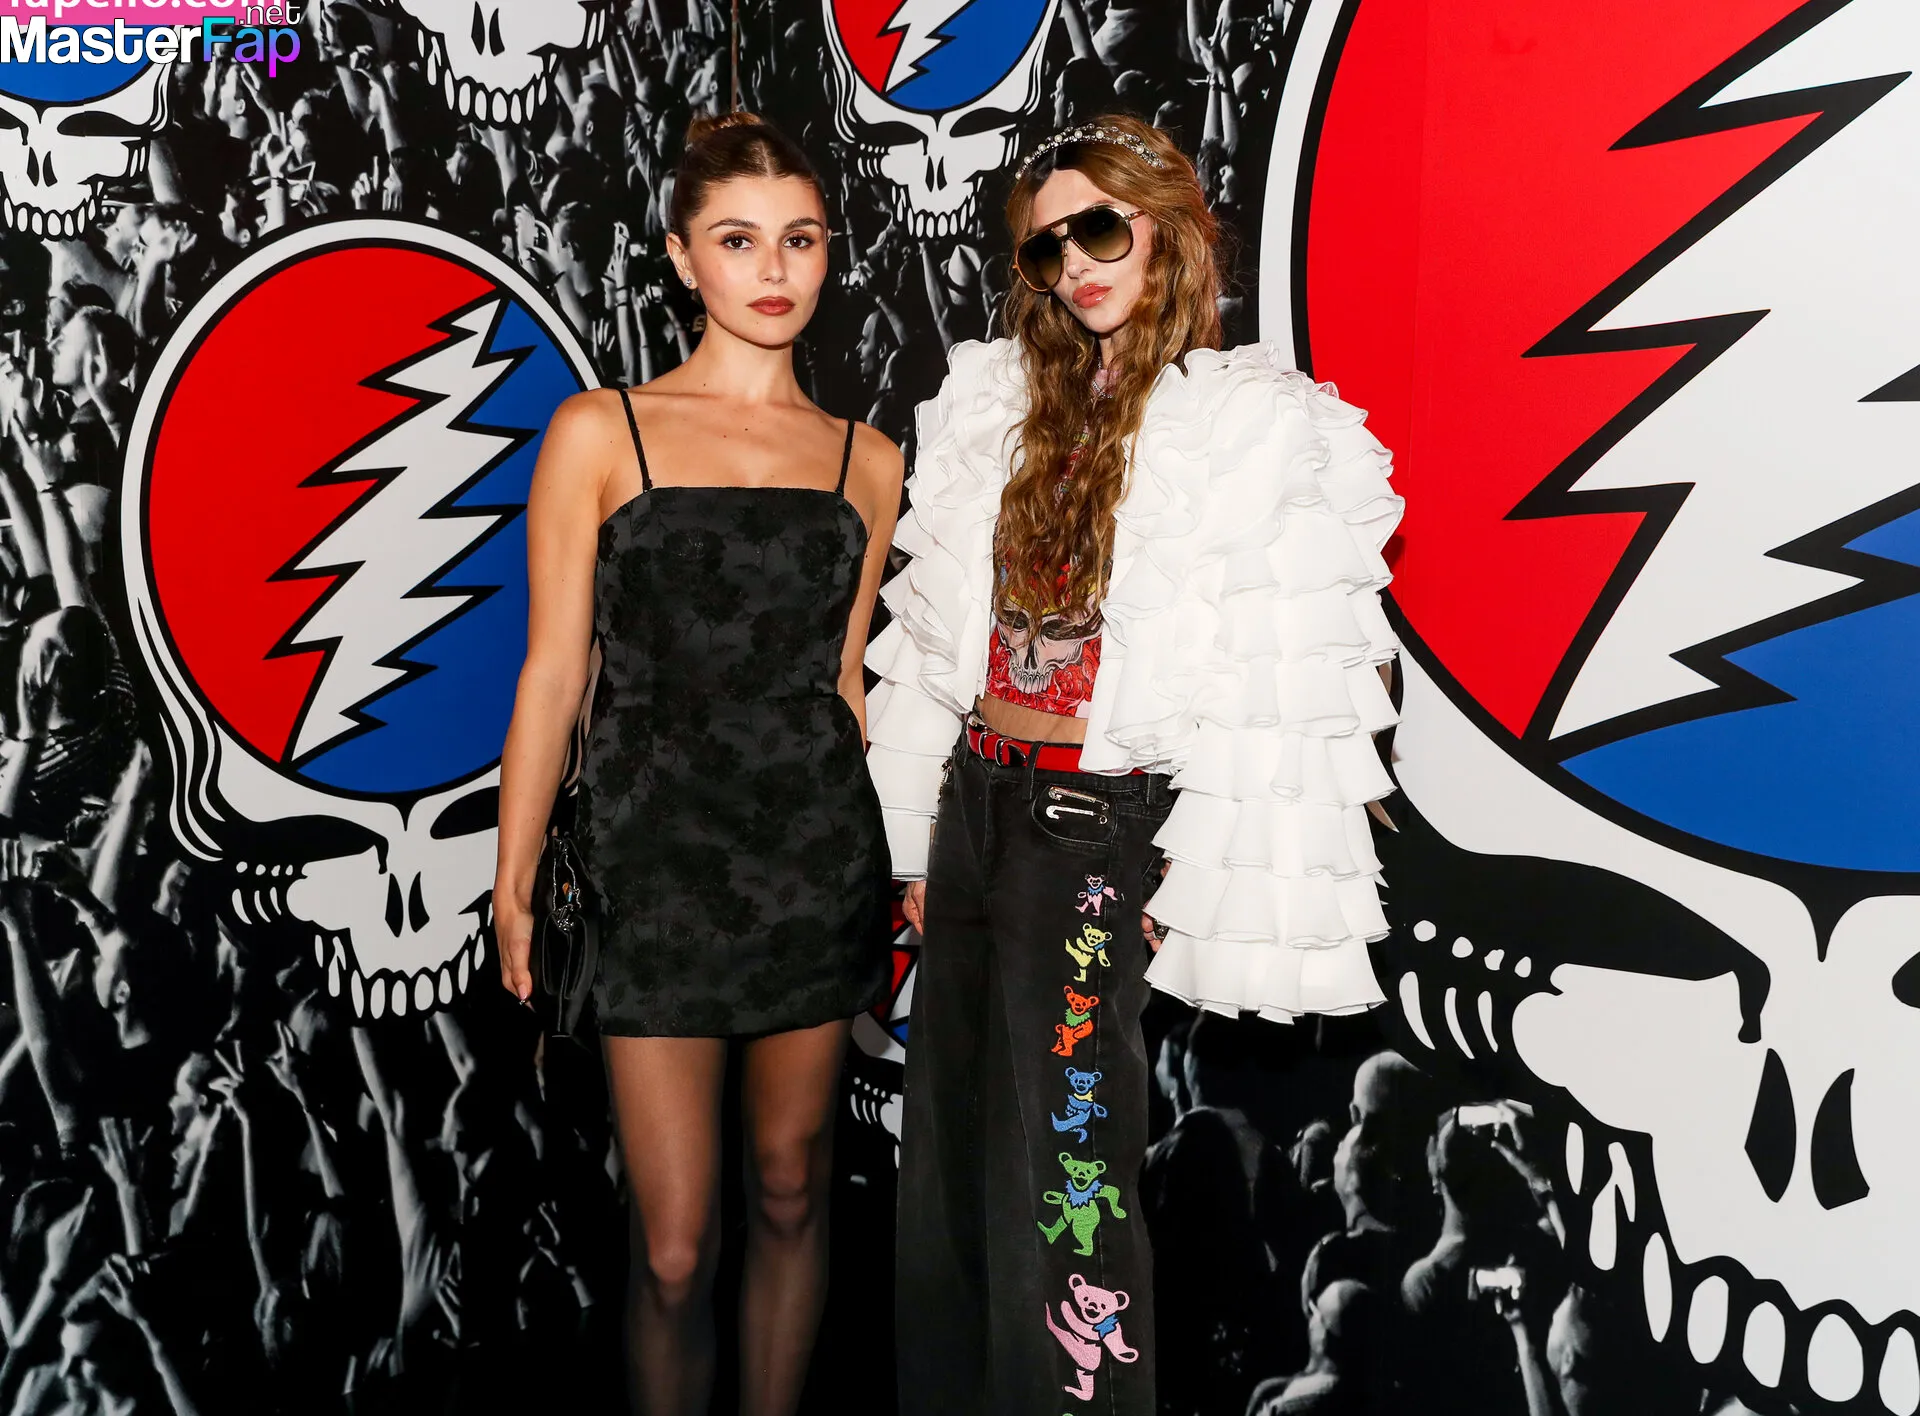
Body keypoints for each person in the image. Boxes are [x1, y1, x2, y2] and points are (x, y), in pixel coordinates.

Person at [869, 115, 1402, 1414]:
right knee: (951, 1173)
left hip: (1092, 828)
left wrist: (1195, 869)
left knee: (1068, 1178)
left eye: (1100, 228)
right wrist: (911, 832)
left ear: (1169, 229)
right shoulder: (1001, 403)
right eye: (1047, 245)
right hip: (975, 803)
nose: (1074, 264)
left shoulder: (1249, 422)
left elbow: (1291, 671)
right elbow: (934, 640)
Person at [493, 112, 902, 1416]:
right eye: (737, 239)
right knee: (672, 1246)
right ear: (680, 256)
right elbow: (554, 673)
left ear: (829, 253)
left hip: (812, 865)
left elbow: (845, 687)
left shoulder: (868, 459)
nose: (773, 269)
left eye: (800, 239)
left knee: (791, 1190)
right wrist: (514, 880)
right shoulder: (599, 431)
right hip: (652, 869)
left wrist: (895, 865)